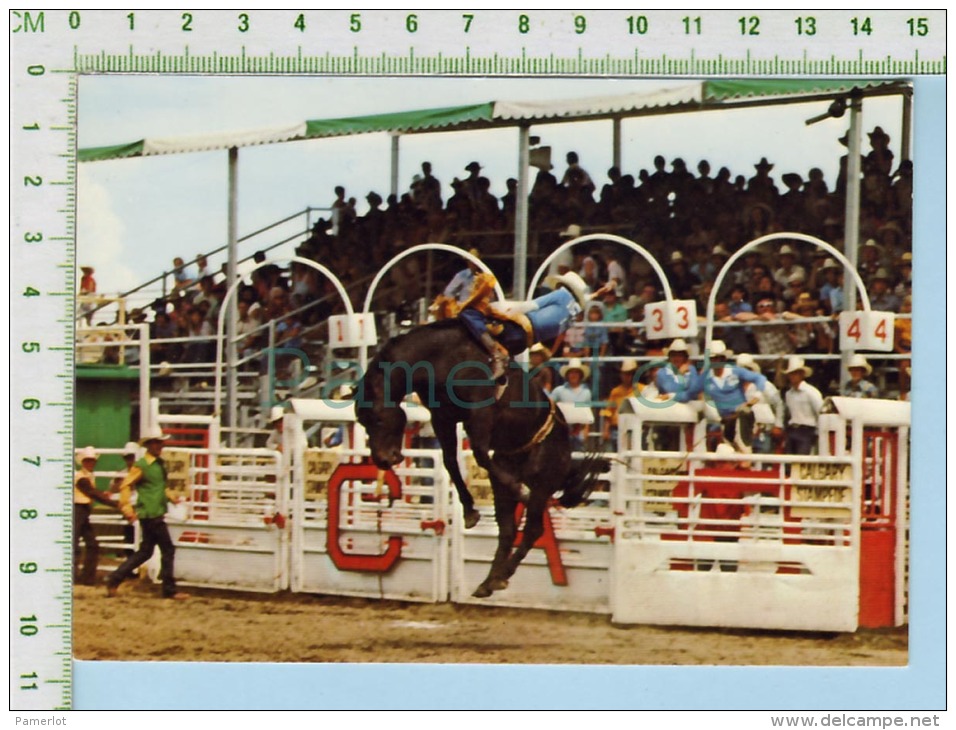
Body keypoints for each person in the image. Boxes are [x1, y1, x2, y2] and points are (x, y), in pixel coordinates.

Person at [457, 270, 613, 380]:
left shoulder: (562, 294)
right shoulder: (575, 312)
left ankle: (496, 355)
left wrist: (507, 312)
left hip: (518, 329)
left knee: (469, 313)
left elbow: (530, 306)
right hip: (523, 343)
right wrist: (596, 294)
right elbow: (583, 301)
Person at [105, 429, 188, 599]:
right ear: (149, 445)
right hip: (150, 513)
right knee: (168, 549)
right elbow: (125, 485)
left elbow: (159, 487)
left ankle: (115, 578)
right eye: (156, 443)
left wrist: (172, 497)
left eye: (160, 442)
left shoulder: (158, 464)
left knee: (146, 551)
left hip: (155, 511)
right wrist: (126, 507)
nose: (159, 446)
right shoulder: (142, 465)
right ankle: (169, 589)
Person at [699, 340, 776, 450]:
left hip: (742, 419)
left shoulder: (737, 374)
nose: (716, 361)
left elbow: (760, 379)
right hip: (723, 421)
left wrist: (756, 397)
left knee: (744, 446)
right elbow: (694, 390)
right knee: (723, 446)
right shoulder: (707, 377)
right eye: (713, 359)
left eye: (719, 358)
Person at [73, 446, 117, 585]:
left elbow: (92, 492)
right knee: (77, 544)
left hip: (82, 509)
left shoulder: (85, 476)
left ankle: (86, 577)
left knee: (90, 544)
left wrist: (103, 496)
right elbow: (91, 492)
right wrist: (113, 503)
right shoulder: (81, 477)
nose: (90, 463)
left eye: (92, 460)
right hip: (78, 509)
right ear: (83, 462)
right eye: (88, 460)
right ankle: (81, 576)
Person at [783, 356, 823, 455]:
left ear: (802, 374)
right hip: (792, 429)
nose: (792, 376)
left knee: (802, 463)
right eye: (791, 374)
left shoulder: (811, 392)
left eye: (795, 373)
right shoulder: (788, 394)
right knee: (790, 464)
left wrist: (817, 433)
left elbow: (820, 412)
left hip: (807, 430)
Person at [549, 359, 593, 450]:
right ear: (567, 375)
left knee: (579, 457)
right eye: (571, 372)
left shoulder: (586, 392)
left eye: (576, 372)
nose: (574, 375)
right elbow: (550, 407)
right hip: (562, 430)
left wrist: (586, 430)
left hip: (579, 431)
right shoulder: (559, 391)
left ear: (580, 375)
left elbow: (587, 411)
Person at [110, 441, 141, 557]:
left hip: (141, 506)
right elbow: (112, 488)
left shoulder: (142, 472)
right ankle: (131, 561)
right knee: (129, 534)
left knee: (142, 535)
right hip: (128, 506)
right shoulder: (122, 473)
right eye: (128, 458)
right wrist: (117, 483)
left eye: (132, 457)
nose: (130, 460)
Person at [601, 359, 638, 444]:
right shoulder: (615, 392)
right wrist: (606, 429)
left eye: (630, 374)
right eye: (625, 374)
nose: (628, 377)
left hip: (634, 429)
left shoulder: (642, 390)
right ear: (621, 375)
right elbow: (609, 411)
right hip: (616, 429)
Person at [655, 338, 700, 403]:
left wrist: (670, 396)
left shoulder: (691, 369)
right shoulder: (662, 373)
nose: (676, 358)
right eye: (674, 355)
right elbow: (671, 389)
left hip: (688, 406)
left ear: (685, 357)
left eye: (680, 355)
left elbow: (694, 394)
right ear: (669, 357)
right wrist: (680, 374)